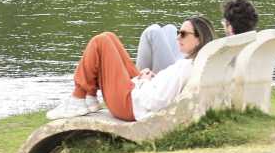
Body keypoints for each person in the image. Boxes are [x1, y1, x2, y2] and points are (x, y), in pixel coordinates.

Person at [48, 15, 215, 121]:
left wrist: (144, 83)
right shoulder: (190, 63)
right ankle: (90, 97)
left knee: (101, 41)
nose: (178, 37)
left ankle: (78, 97)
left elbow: (157, 101)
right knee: (109, 37)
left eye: (183, 34)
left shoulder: (186, 67)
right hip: (138, 93)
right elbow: (165, 90)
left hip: (129, 104)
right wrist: (151, 78)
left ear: (199, 40)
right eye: (178, 32)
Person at [135, 0, 261, 72]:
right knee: (169, 29)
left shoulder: (227, 48)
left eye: (224, 21)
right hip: (189, 68)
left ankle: (138, 80)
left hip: (180, 77)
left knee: (153, 32)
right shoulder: (247, 45)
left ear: (230, 26)